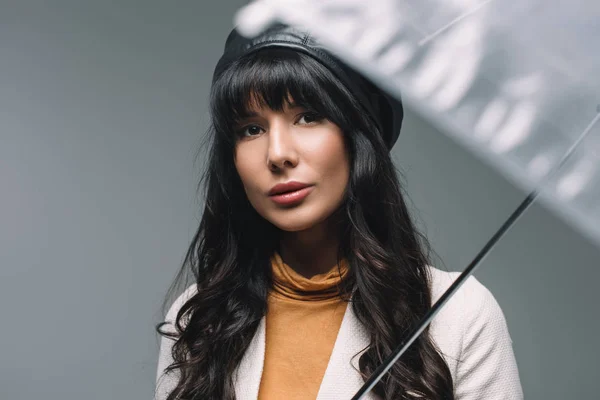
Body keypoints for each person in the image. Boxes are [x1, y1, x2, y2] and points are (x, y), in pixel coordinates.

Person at [154, 23, 523, 400]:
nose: (278, 153)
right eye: (251, 129)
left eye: (308, 116)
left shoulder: (457, 314)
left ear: (358, 138)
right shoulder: (199, 319)